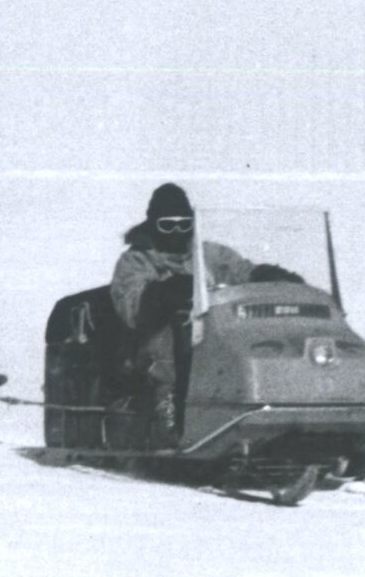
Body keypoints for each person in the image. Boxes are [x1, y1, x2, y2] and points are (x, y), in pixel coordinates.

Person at [109, 183, 255, 442]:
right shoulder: (137, 260)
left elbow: (239, 270)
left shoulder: (210, 254)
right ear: (153, 224)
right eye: (167, 225)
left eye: (184, 224)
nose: (177, 232)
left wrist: (266, 276)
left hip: (210, 334)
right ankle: (167, 410)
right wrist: (163, 292)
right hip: (153, 343)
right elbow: (131, 307)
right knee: (171, 337)